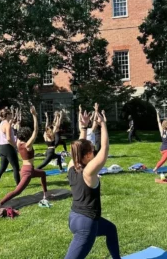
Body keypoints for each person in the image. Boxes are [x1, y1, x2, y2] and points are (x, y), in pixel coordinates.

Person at [65, 104, 121, 259]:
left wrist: (83, 128)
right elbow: (105, 148)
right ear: (88, 155)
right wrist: (102, 124)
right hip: (86, 225)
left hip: (74, 217)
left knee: (110, 229)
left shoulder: (71, 166)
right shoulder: (88, 172)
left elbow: (78, 148)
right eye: (92, 150)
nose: (94, 151)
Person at [0, 106, 49, 210]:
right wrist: (34, 116)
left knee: (43, 173)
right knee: (17, 191)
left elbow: (17, 130)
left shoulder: (18, 143)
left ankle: (45, 194)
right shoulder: (27, 145)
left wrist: (15, 118)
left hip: (29, 169)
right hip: (27, 172)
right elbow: (36, 131)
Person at [0, 107, 21, 189]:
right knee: (16, 167)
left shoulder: (1, 123)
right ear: (7, 115)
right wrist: (15, 145)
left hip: (2, 147)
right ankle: (19, 186)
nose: (11, 115)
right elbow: (8, 138)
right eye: (10, 114)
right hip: (8, 147)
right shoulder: (7, 124)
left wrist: (14, 111)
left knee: (2, 168)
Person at [153, 106, 167, 173]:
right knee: (163, 160)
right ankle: (155, 169)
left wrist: (157, 113)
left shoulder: (162, 131)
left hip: (162, 149)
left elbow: (159, 122)